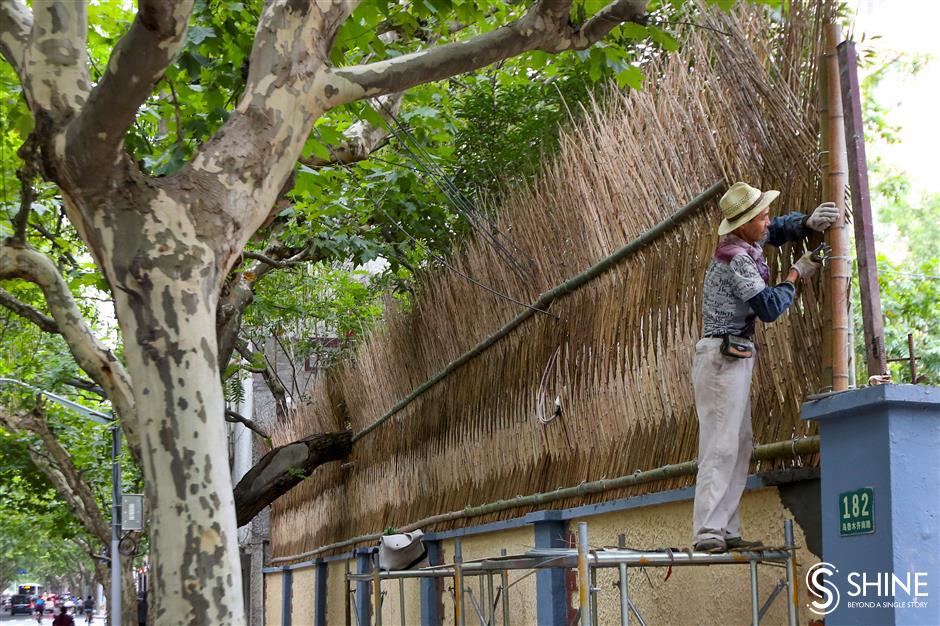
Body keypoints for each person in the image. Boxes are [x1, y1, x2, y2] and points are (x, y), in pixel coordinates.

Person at [691, 181, 839, 553]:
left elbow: (776, 230)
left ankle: (724, 528)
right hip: (721, 357)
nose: (767, 220)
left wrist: (807, 223)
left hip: (733, 356)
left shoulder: (746, 241)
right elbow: (769, 307)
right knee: (720, 445)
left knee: (739, 445)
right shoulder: (736, 258)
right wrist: (795, 274)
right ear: (743, 224)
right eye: (762, 215)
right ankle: (707, 529)